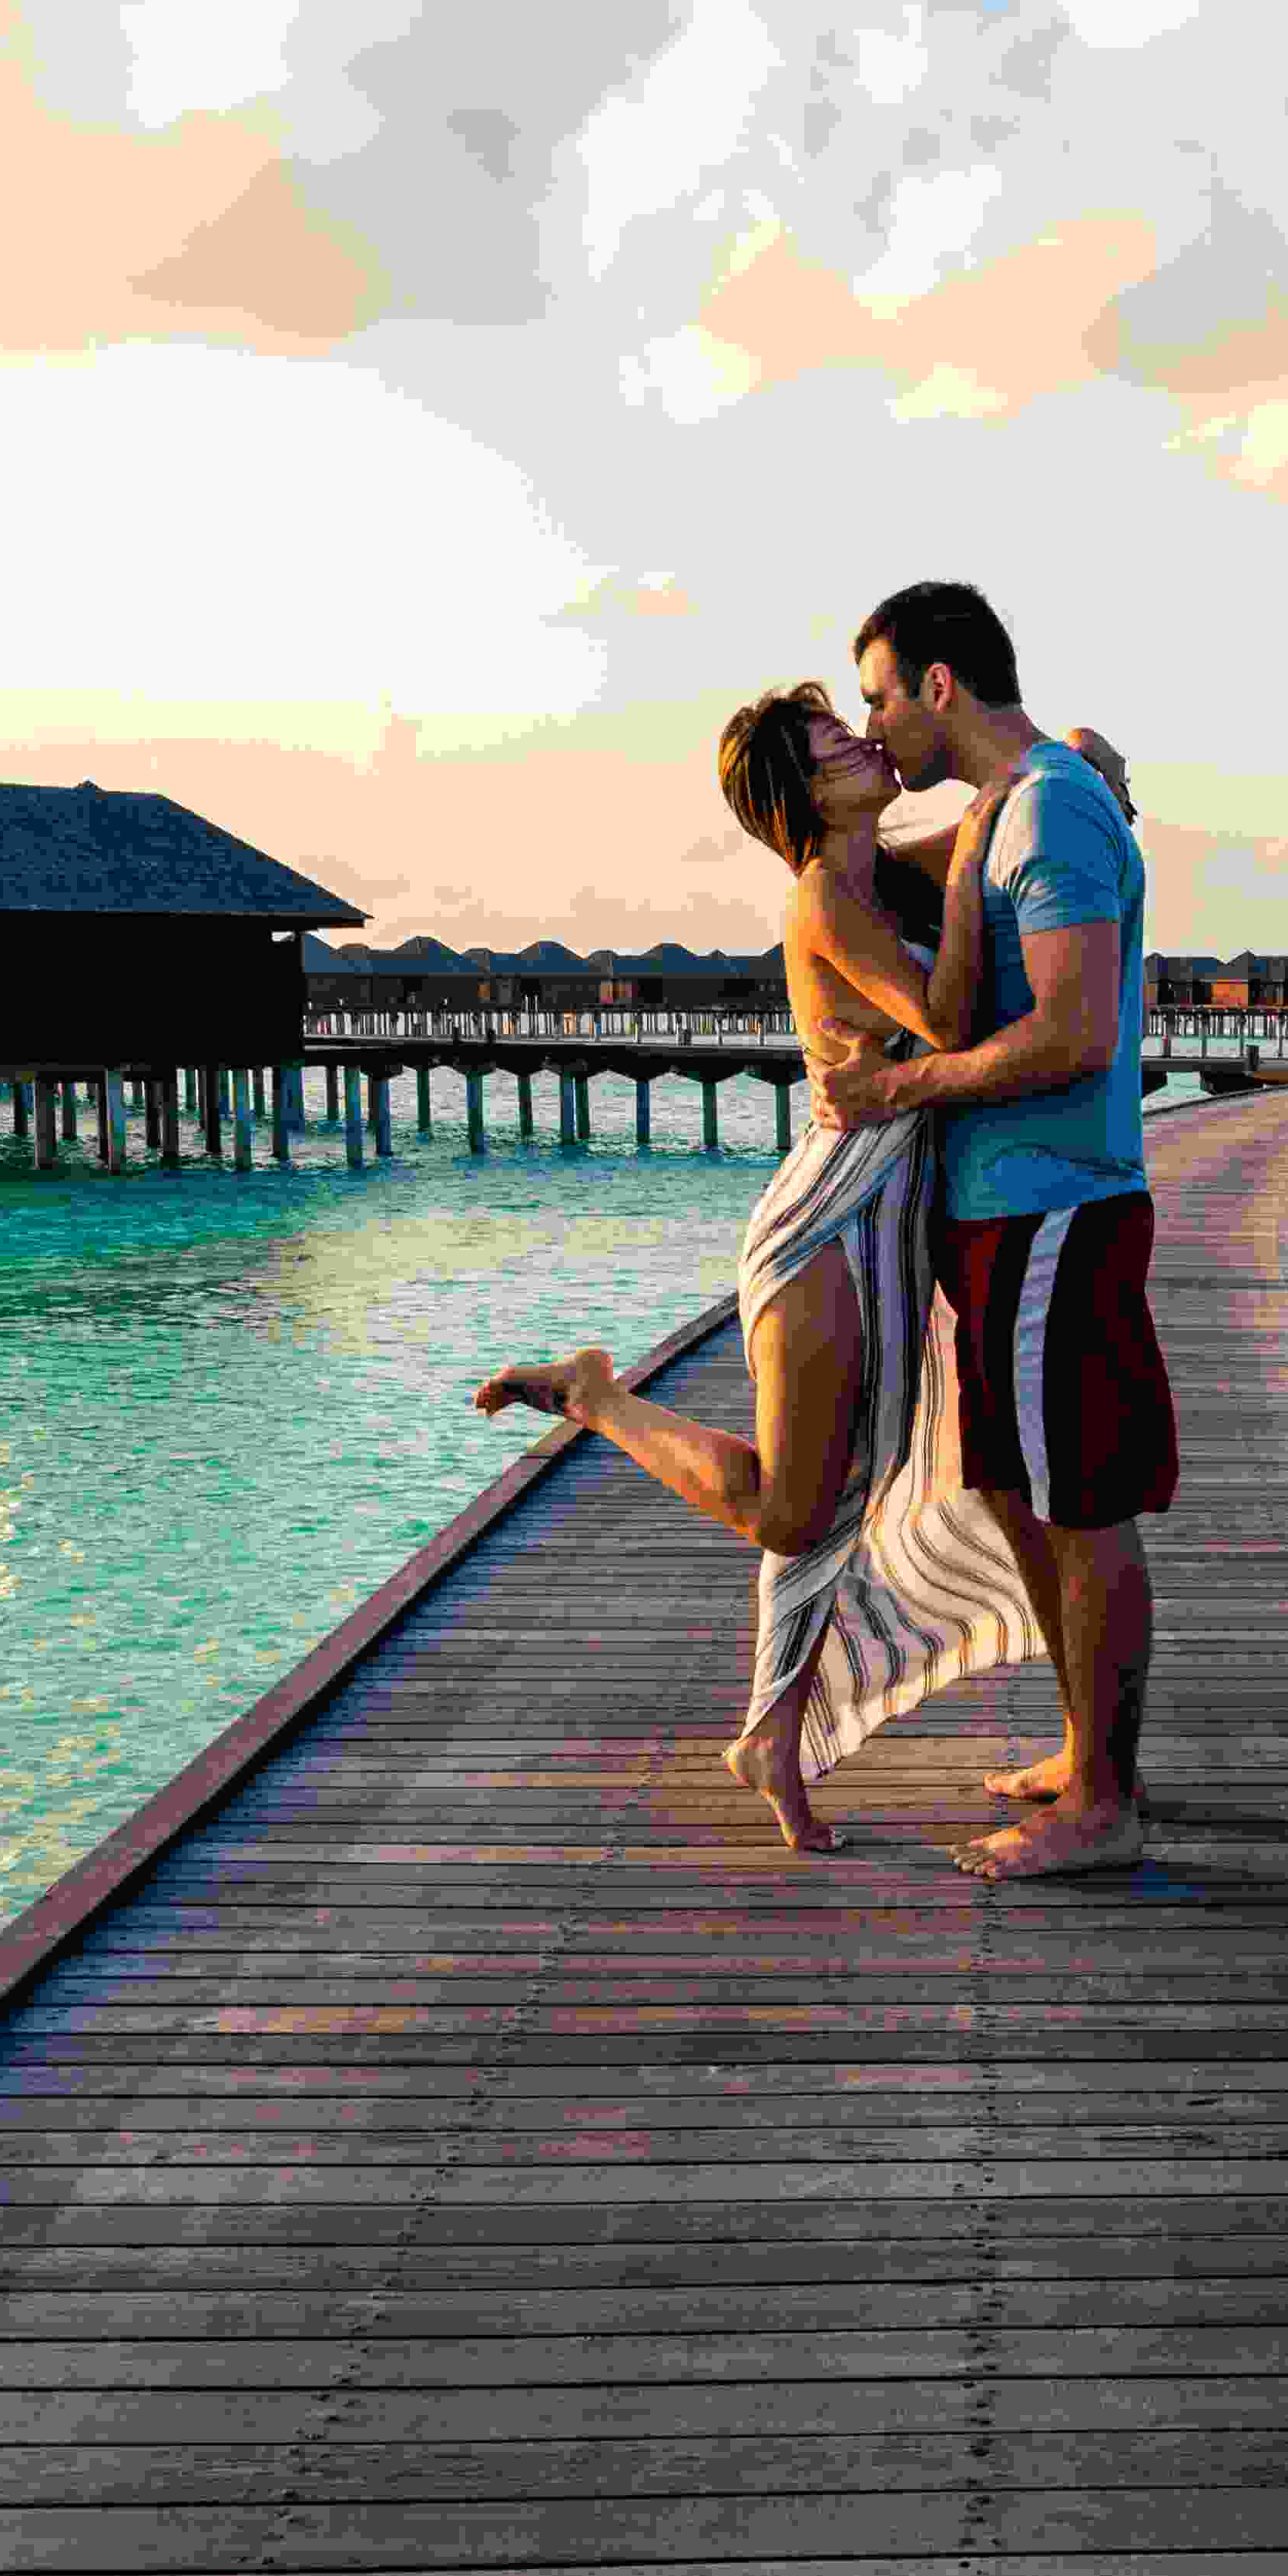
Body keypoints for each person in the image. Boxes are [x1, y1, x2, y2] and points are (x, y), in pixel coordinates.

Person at [469, 684, 1040, 1852]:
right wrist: (983, 828)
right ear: (800, 794)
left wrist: (1052, 775)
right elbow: (946, 1019)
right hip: (823, 1222)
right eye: (831, 744)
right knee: (793, 1506)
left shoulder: (880, 874)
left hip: (887, 1213)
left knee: (845, 1493)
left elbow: (992, 829)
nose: (862, 741)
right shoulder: (825, 896)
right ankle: (598, 1397)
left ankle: (771, 1737)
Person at [814, 577, 1170, 1882]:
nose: (874, 725)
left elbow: (1074, 1033)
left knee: (1081, 1507)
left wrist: (901, 1086)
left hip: (1053, 1208)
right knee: (1019, 1492)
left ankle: (1107, 1805)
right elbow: (854, 861)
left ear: (939, 685)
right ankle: (1087, 1757)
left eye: (879, 698)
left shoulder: (1049, 811)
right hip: (1002, 1217)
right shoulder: (1016, 806)